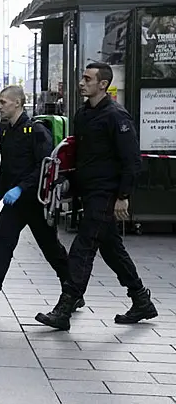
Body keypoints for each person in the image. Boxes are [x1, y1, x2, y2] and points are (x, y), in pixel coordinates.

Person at [36, 63, 157, 330]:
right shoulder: (82, 114)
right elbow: (80, 154)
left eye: (88, 79)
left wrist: (123, 195)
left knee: (83, 247)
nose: (82, 82)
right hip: (89, 192)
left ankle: (65, 308)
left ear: (103, 84)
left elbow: (131, 160)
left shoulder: (116, 116)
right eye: (82, 77)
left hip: (106, 193)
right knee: (111, 249)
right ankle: (141, 300)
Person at [0, 86, 75, 317]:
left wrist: (21, 187)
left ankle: (73, 290)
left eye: (3, 102)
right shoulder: (6, 130)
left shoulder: (36, 131)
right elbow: (6, 169)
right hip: (15, 203)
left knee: (51, 249)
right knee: (2, 244)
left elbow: (44, 165)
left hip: (36, 200)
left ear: (18, 103)